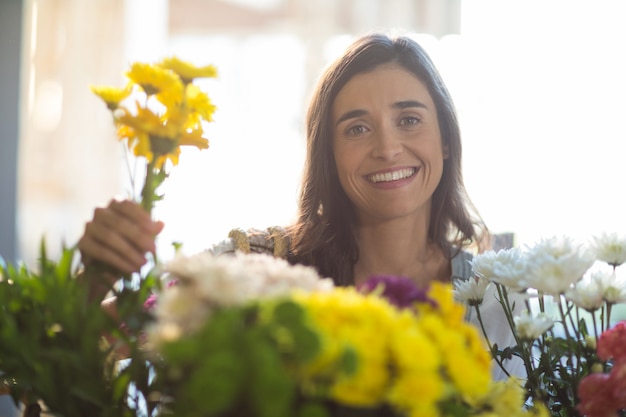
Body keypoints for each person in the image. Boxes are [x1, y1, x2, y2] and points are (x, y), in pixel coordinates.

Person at [78, 31, 523, 379]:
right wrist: (94, 276)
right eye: (356, 129)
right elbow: (65, 348)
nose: (388, 148)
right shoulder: (250, 270)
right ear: (327, 155)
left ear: (445, 141)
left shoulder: (504, 301)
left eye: (409, 120)